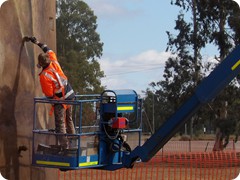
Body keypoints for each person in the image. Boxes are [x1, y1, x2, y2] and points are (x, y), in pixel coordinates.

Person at [28, 36, 75, 148]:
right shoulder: (53, 60)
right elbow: (47, 49)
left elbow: (49, 94)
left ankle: (65, 146)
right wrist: (37, 42)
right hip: (70, 94)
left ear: (41, 63)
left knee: (60, 124)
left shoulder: (44, 76)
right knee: (69, 119)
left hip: (60, 100)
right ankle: (74, 142)